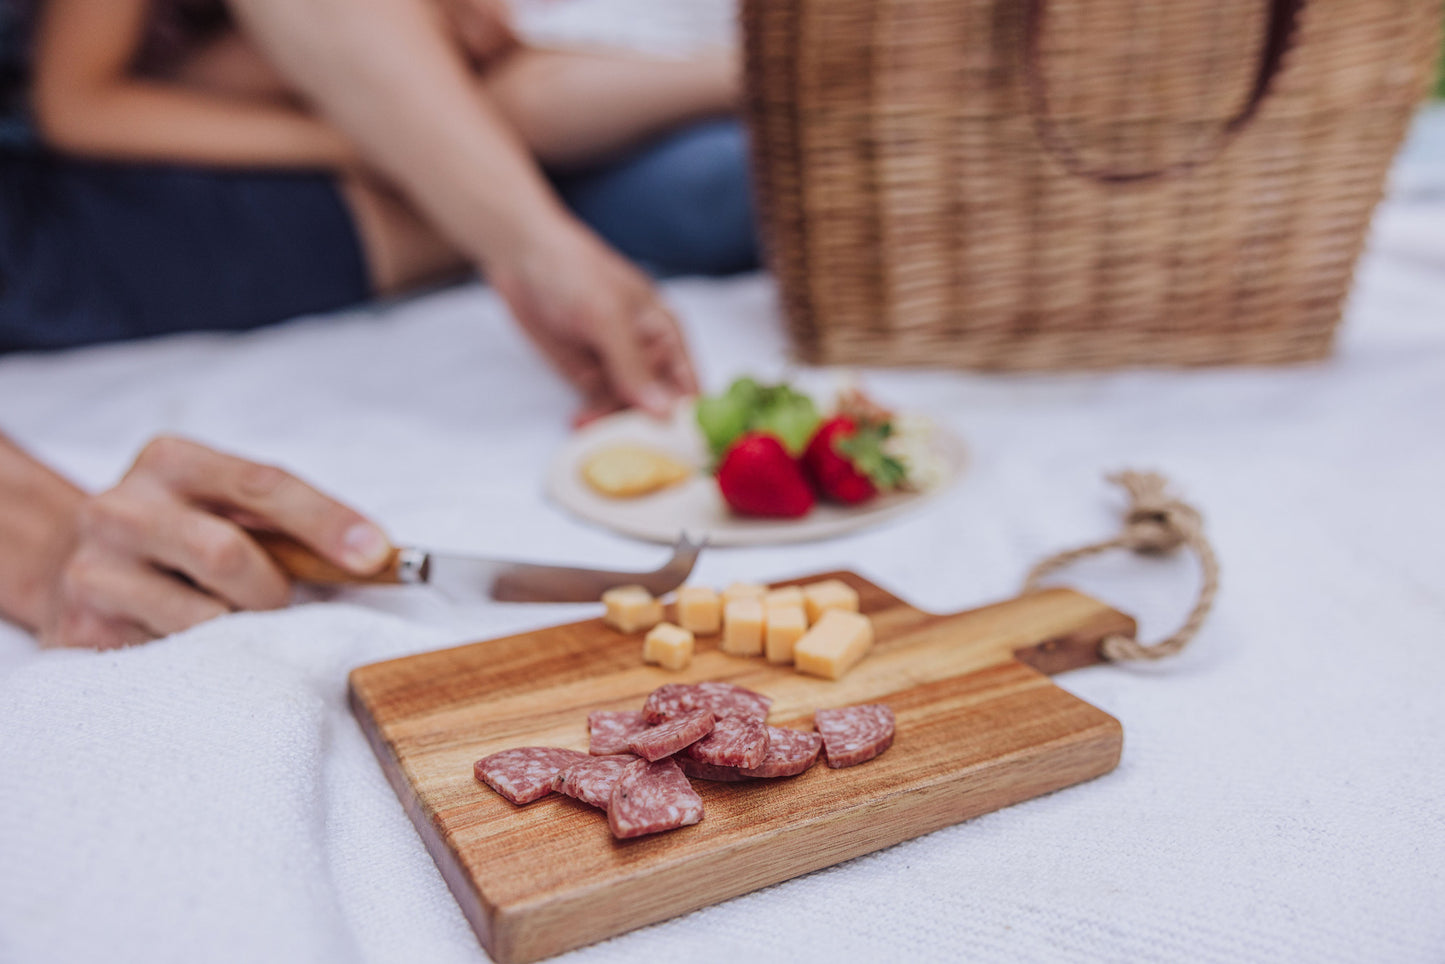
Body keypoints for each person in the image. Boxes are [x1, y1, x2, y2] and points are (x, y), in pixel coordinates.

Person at [0, 0, 758, 648]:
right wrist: (397, 146)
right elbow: (76, 105)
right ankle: (752, 69)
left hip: (265, 97)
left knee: (706, 171)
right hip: (76, 189)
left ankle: (749, 67)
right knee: (702, 189)